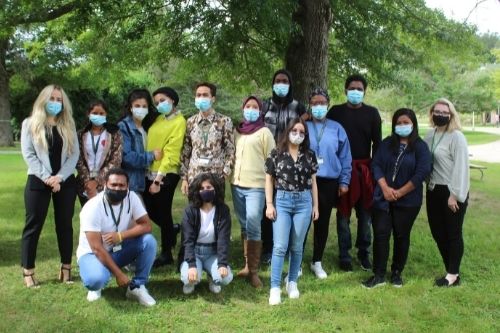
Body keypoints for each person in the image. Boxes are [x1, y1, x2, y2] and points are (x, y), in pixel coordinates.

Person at [362, 108, 431, 288]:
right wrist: (385, 188)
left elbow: (422, 172)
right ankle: (378, 275)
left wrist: (400, 192)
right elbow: (376, 165)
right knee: (381, 235)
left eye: (406, 123)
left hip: (408, 201)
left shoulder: (420, 147)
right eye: (398, 123)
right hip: (383, 199)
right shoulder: (386, 144)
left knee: (402, 236)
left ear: (413, 124)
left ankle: (396, 272)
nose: (402, 126)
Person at [20, 84, 79, 288]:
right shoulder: (29, 124)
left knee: (65, 225)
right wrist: (48, 178)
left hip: (64, 182)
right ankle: (28, 271)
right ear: (43, 100)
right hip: (38, 181)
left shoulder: (68, 125)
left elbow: (74, 155)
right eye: (52, 98)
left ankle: (66, 268)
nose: (55, 103)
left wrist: (59, 177)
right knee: (33, 225)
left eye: (59, 99)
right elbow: (29, 155)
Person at [76, 168, 157, 306]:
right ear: (105, 185)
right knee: (95, 280)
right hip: (92, 254)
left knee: (149, 241)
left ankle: (137, 286)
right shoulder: (92, 207)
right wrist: (119, 274)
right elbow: (96, 248)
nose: (117, 188)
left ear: (127, 186)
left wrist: (121, 235)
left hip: (116, 249)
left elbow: (146, 226)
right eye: (113, 185)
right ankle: (98, 282)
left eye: (121, 185)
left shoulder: (132, 197)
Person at [326, 74, 382, 272]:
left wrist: (374, 170)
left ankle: (363, 252)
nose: (356, 92)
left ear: (364, 91)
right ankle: (344, 255)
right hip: (343, 170)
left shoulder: (372, 114)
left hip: (364, 170)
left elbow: (378, 144)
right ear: (345, 90)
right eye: (352, 88)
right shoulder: (335, 112)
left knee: (365, 215)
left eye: (359, 89)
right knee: (343, 215)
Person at [265, 118, 319, 305]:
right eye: (294, 131)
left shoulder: (310, 155)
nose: (298, 135)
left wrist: (315, 206)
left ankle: (292, 282)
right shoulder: (276, 153)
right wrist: (270, 204)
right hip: (282, 201)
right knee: (280, 246)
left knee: (297, 246)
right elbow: (268, 180)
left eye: (301, 132)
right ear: (287, 132)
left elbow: (313, 183)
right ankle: (274, 288)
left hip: (304, 202)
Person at [261, 69, 307, 265]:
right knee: (268, 206)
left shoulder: (298, 107)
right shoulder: (264, 105)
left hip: (291, 164)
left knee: (287, 207)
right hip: (269, 161)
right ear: (273, 84)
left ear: (290, 84)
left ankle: (289, 248)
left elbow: (304, 128)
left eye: (285, 81)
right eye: (278, 81)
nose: (281, 84)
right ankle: (268, 248)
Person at [305, 88, 352, 279]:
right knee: (302, 223)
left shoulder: (337, 128)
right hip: (304, 181)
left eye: (322, 103)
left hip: (328, 181)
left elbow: (345, 156)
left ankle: (317, 261)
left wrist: (344, 181)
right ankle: (297, 261)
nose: (318, 106)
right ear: (309, 105)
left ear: (328, 104)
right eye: (314, 103)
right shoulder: (303, 126)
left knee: (322, 222)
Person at [424, 98, 469, 287]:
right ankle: (450, 268)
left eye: (445, 112)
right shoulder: (429, 135)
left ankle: (453, 274)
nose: (441, 115)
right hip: (433, 189)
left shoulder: (457, 136)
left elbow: (461, 168)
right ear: (432, 113)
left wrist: (455, 195)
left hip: (451, 190)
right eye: (438, 111)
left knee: (453, 233)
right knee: (437, 232)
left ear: (451, 115)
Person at [231, 95, 275, 288]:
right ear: (243, 109)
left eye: (254, 107)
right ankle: (247, 266)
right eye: (247, 106)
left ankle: (255, 271)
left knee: (253, 223)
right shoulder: (237, 131)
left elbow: (271, 161)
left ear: (260, 110)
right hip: (236, 184)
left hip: (256, 186)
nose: (251, 109)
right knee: (243, 225)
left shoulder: (264, 132)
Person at [143, 87, 186, 268]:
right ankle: (172, 230)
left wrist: (158, 179)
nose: (159, 104)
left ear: (173, 100)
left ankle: (166, 253)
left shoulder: (180, 121)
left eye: (162, 100)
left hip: (166, 174)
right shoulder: (158, 119)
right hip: (149, 169)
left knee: (162, 210)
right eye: (156, 102)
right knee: (148, 209)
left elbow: (172, 151)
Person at [180, 173, 233, 294]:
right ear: (197, 191)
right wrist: (192, 265)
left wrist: (222, 263)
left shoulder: (223, 210)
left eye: (209, 188)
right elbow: (187, 240)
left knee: (225, 278)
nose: (205, 191)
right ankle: (191, 279)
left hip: (212, 252)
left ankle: (213, 278)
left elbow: (223, 239)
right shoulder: (190, 211)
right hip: (195, 251)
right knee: (187, 277)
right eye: (202, 188)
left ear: (216, 189)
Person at [180, 82, 235, 196]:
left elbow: (231, 151)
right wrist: (184, 178)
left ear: (213, 99)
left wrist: (224, 174)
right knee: (194, 212)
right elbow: (186, 151)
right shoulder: (190, 122)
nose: (201, 98)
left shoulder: (224, 121)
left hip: (216, 178)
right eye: (198, 95)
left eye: (205, 95)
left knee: (216, 213)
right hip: (194, 177)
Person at [76, 100, 123, 206]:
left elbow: (116, 160)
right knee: (88, 217)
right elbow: (77, 159)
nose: (98, 116)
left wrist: (97, 181)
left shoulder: (114, 134)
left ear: (106, 114)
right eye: (95, 113)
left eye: (101, 113)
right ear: (88, 114)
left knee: (107, 217)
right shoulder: (80, 134)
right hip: (85, 184)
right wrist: (88, 182)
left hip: (107, 182)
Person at [118, 89, 163, 195]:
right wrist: (151, 156)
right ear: (130, 108)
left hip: (146, 180)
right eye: (137, 106)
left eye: (144, 106)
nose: (141, 109)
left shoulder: (147, 127)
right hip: (131, 184)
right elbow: (127, 157)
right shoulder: (124, 127)